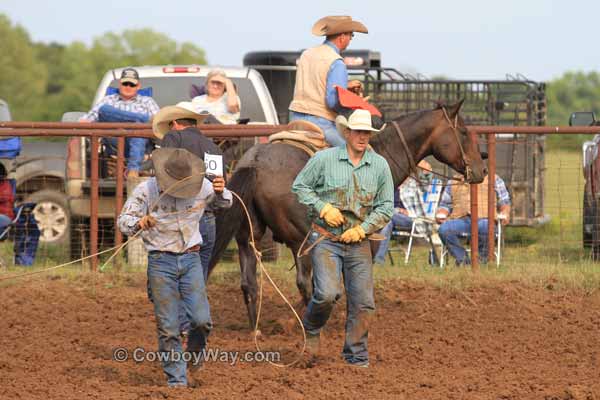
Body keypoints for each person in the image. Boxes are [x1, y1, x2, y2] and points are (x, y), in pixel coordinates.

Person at [118, 148, 232, 387]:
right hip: (161, 262)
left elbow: (224, 202)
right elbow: (123, 222)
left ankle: (193, 355)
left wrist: (221, 191)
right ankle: (177, 382)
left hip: (190, 258)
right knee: (168, 326)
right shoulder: (146, 190)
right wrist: (139, 222)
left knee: (202, 320)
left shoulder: (202, 186)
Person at [291, 109, 393, 367]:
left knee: (364, 302)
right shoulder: (324, 159)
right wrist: (323, 208)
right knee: (327, 293)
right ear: (347, 133)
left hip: (359, 242)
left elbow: (386, 207)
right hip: (326, 238)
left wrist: (363, 229)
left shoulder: (379, 166)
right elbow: (300, 186)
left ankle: (356, 356)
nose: (362, 137)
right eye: (358, 131)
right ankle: (311, 328)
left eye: (366, 132)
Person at [153, 101, 223, 283]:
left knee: (170, 279)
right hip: (207, 218)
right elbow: (218, 187)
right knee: (197, 282)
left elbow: (163, 176)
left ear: (175, 122)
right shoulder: (212, 147)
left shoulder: (173, 138)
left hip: (180, 216)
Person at [288, 15, 368, 147]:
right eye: (351, 36)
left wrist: (345, 87)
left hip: (295, 120)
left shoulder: (306, 54)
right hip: (321, 123)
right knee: (352, 151)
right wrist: (354, 103)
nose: (350, 40)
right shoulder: (336, 62)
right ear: (342, 36)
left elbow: (314, 82)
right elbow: (332, 102)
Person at [80, 68, 160, 178]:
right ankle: (143, 119)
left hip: (140, 144)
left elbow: (159, 124)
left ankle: (133, 170)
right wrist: (146, 120)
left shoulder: (147, 101)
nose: (128, 87)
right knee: (104, 110)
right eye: (125, 83)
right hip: (114, 143)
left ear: (138, 86)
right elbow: (85, 121)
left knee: (138, 129)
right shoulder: (108, 100)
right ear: (119, 84)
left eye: (131, 84)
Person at [373, 160, 443, 265]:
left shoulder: (415, 182)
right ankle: (378, 261)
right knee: (386, 223)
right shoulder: (392, 183)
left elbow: (427, 176)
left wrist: (419, 163)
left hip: (412, 218)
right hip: (392, 217)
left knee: (386, 216)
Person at [436, 173, 511, 265]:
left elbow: (504, 200)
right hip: (461, 220)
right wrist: (441, 213)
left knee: (486, 227)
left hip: (485, 219)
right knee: (444, 229)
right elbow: (445, 204)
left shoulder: (494, 178)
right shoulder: (453, 181)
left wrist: (505, 212)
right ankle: (463, 260)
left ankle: (481, 260)